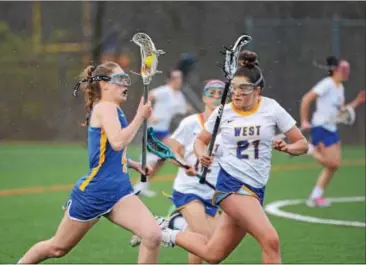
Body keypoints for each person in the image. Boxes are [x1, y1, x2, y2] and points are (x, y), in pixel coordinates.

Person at [158, 52, 309, 264]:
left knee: (213, 254)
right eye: (234, 88)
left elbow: (302, 144)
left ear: (258, 90)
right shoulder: (224, 112)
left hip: (256, 189)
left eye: (244, 89)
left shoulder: (271, 108)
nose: (237, 93)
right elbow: (200, 141)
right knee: (270, 240)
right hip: (231, 187)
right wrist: (202, 155)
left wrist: (289, 147)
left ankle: (164, 232)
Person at [17, 61, 165, 264]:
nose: (126, 85)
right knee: (57, 248)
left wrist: (133, 164)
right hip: (95, 192)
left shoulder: (114, 110)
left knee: (152, 235)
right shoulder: (105, 108)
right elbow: (118, 142)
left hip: (119, 192)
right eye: (120, 80)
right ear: (104, 84)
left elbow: (107, 152)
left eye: (126, 80)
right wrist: (140, 117)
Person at [130, 80, 225, 264]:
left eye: (220, 94)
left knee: (205, 243)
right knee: (206, 240)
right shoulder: (191, 123)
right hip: (189, 189)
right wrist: (183, 164)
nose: (215, 97)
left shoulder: (229, 124)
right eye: (211, 93)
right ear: (204, 97)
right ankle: (166, 229)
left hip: (214, 192)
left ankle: (170, 225)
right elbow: (173, 150)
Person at [300, 56, 366, 207]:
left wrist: (357, 101)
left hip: (331, 128)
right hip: (321, 127)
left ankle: (315, 196)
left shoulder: (340, 88)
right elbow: (306, 99)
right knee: (333, 163)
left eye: (348, 69)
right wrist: (304, 120)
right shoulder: (327, 84)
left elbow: (341, 112)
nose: (346, 72)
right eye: (343, 69)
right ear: (335, 70)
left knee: (334, 165)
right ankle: (311, 150)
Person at [134, 69, 192, 197]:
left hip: (163, 131)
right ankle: (191, 178)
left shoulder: (178, 95)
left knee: (160, 161)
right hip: (153, 131)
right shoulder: (164, 91)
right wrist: (150, 115)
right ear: (169, 80)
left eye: (180, 78)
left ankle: (141, 186)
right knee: (175, 152)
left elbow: (184, 108)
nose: (179, 80)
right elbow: (147, 96)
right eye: (176, 78)